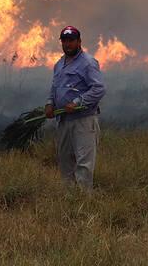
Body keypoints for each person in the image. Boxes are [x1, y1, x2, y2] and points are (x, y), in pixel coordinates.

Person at [45, 26, 104, 189]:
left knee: (83, 163)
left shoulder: (88, 63)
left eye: (71, 40)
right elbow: (54, 87)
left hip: (83, 121)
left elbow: (99, 89)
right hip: (64, 120)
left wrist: (78, 102)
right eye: (64, 41)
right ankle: (70, 200)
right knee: (65, 161)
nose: (67, 44)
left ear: (79, 41)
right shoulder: (59, 64)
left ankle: (84, 203)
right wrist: (50, 103)